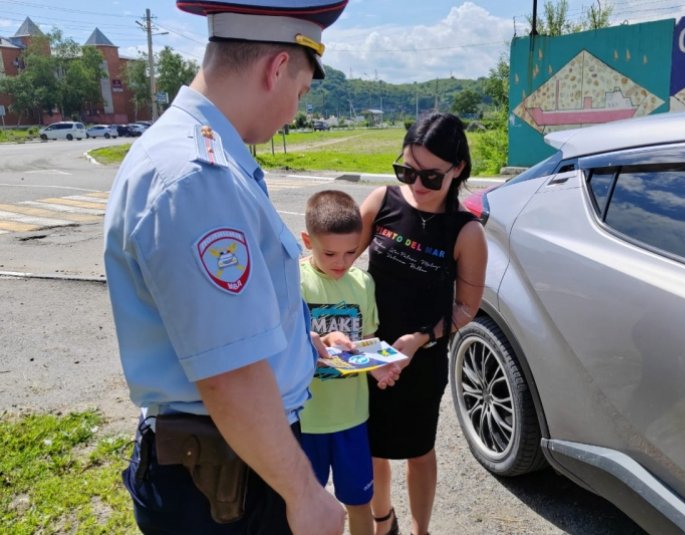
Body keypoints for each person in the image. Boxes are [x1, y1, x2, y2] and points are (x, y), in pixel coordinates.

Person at [103, 1, 350, 534]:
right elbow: (230, 373)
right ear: (277, 69)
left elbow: (232, 325)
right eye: (301, 94)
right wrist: (304, 493)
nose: (294, 112)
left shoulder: (200, 157)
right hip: (227, 483)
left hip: (228, 462)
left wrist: (304, 343)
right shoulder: (197, 177)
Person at [358, 113, 488, 535]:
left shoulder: (466, 231)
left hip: (422, 359)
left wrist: (421, 339)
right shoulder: (382, 202)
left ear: (458, 170)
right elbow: (336, 262)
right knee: (371, 447)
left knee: (419, 450)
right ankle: (383, 522)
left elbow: (467, 307)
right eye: (407, 171)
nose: (416, 185)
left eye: (431, 177)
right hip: (370, 354)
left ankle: (420, 530)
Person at [298, 190, 400, 535]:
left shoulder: (363, 283)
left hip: (352, 419)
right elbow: (279, 345)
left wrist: (380, 367)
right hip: (305, 421)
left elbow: (367, 345)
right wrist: (322, 340)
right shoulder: (294, 282)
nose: (341, 263)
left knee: (358, 502)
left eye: (351, 253)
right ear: (306, 240)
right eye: (329, 253)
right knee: (303, 504)